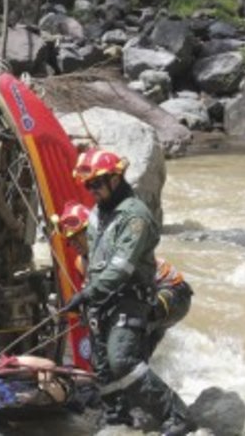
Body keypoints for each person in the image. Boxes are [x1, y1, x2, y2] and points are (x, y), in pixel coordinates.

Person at [62, 148, 196, 436]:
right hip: (103, 299)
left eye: (96, 183)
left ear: (115, 178)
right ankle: (117, 417)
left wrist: (88, 294)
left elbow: (121, 268)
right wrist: (88, 298)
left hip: (131, 297)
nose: (92, 190)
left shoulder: (136, 217)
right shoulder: (99, 213)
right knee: (102, 365)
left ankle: (175, 414)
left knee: (122, 359)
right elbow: (98, 261)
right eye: (88, 185)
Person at [54, 202, 194, 358]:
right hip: (146, 299)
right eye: (70, 241)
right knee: (137, 357)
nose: (74, 244)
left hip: (172, 293)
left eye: (77, 237)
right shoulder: (82, 263)